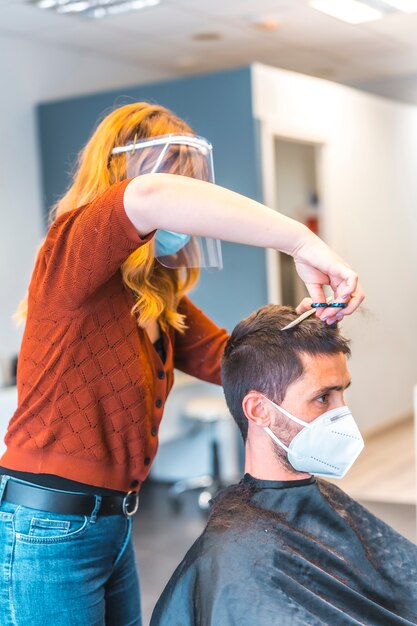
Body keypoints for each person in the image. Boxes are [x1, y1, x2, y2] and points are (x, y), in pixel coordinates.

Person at [0, 102, 364, 626]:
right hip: (46, 528)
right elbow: (149, 198)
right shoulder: (70, 253)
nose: (187, 211)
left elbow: (232, 361)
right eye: (182, 187)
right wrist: (302, 242)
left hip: (112, 522)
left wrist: (308, 331)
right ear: (120, 174)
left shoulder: (155, 294)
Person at [151, 304, 417, 626]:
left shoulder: (323, 506)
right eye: (324, 398)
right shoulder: (232, 559)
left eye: (342, 395)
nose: (343, 415)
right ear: (259, 410)